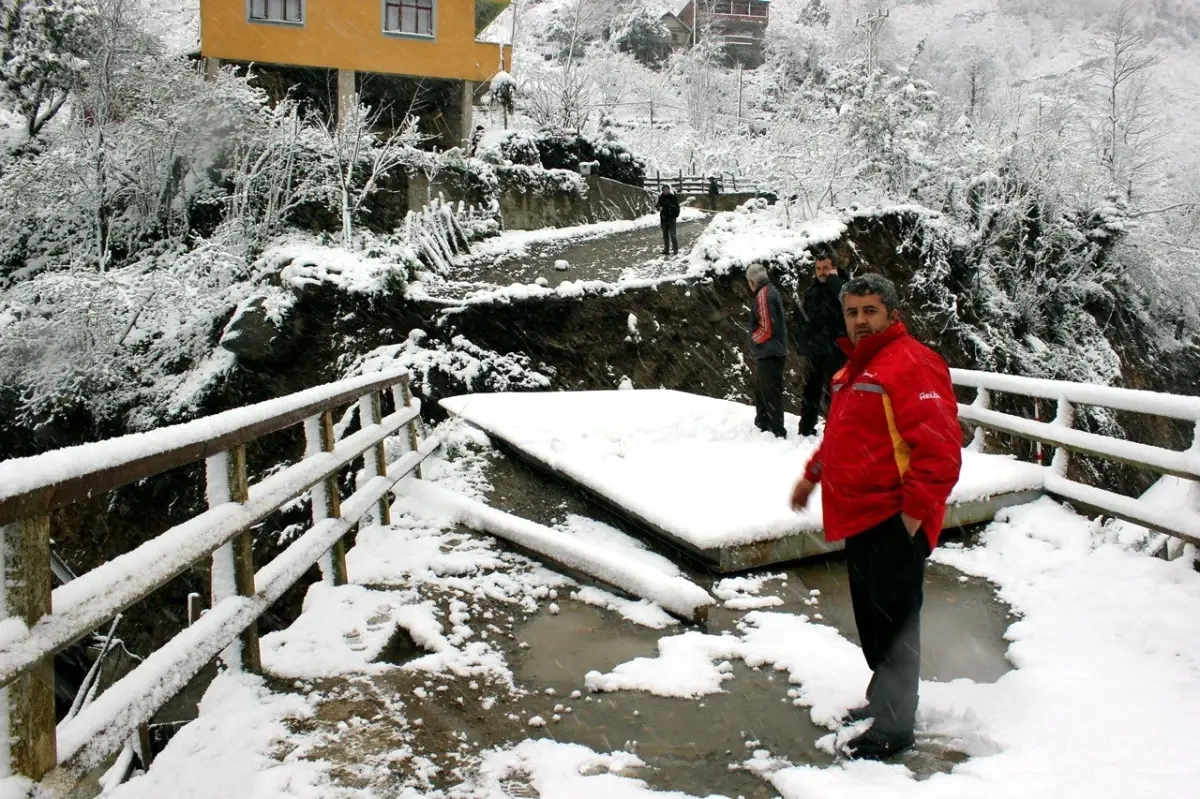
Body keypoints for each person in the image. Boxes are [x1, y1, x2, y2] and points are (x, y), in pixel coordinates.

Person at [789, 273, 962, 761]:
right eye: (853, 312)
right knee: (874, 621)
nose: (861, 321)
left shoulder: (912, 364)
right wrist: (813, 474)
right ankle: (883, 701)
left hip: (892, 517)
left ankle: (895, 727)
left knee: (896, 625)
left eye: (870, 311)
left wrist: (912, 515)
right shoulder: (856, 368)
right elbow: (842, 435)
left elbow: (941, 450)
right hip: (859, 517)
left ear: (890, 313)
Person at [795, 251, 847, 436]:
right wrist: (802, 342)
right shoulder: (812, 291)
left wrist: (835, 283)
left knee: (834, 392)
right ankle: (806, 428)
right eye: (818, 268)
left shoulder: (843, 287)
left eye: (825, 268)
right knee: (810, 390)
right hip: (815, 349)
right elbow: (804, 321)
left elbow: (847, 304)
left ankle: (834, 430)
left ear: (834, 268)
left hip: (836, 349)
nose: (821, 272)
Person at [746, 264, 788, 438]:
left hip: (769, 352)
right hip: (774, 351)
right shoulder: (771, 291)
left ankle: (776, 431)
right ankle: (763, 424)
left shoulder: (763, 295)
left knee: (770, 393)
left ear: (752, 281)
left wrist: (753, 339)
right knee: (764, 391)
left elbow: (767, 328)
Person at [657, 185, 680, 255]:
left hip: (671, 219)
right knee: (665, 236)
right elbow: (658, 205)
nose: (665, 191)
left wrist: (674, 216)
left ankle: (675, 249)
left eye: (666, 190)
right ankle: (666, 250)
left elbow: (677, 208)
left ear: (669, 190)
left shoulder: (673, 197)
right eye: (663, 190)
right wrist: (659, 207)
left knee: (673, 235)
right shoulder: (661, 197)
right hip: (663, 219)